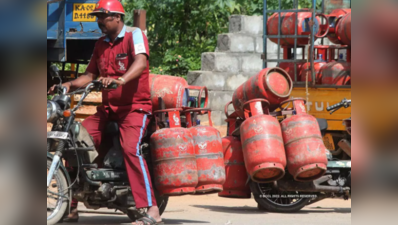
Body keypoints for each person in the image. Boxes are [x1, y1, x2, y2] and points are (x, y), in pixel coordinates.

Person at [48, 0, 162, 224]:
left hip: (134, 109)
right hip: (107, 109)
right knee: (74, 141)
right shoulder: (101, 43)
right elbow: (90, 75)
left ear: (117, 17)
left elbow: (140, 63)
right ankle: (69, 206)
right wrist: (69, 85)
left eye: (103, 16)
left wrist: (120, 80)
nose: (98, 21)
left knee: (132, 150)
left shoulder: (134, 35)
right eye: (97, 17)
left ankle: (152, 210)